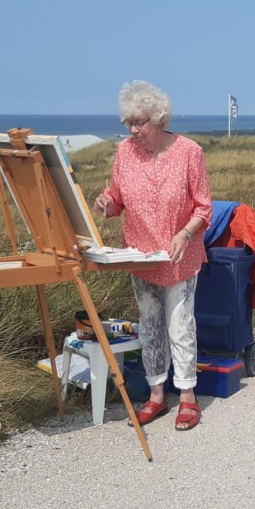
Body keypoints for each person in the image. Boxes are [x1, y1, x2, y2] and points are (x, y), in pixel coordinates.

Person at [94, 81, 213, 431]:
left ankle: (188, 396)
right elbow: (116, 198)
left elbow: (204, 208)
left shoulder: (190, 151)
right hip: (140, 256)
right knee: (150, 327)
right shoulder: (124, 152)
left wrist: (185, 232)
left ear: (159, 119)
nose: (133, 130)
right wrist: (107, 204)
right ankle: (157, 395)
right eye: (128, 123)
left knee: (179, 325)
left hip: (180, 253)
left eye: (140, 122)